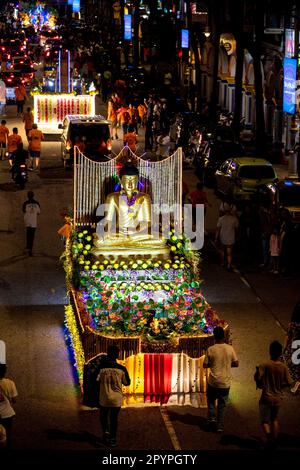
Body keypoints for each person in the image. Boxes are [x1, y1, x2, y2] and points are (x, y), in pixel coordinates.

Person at [93, 162, 169, 257]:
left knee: (161, 239)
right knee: (99, 241)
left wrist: (135, 231)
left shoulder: (144, 197)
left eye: (133, 180)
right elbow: (108, 220)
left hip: (138, 233)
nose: (130, 184)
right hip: (119, 233)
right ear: (121, 181)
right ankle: (129, 244)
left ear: (137, 181)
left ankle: (125, 244)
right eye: (127, 180)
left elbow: (147, 221)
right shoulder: (112, 197)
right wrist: (109, 231)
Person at [254, 340, 293, 449]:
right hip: (277, 398)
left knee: (264, 421)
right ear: (280, 353)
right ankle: (274, 442)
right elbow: (289, 383)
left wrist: (257, 371)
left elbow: (258, 378)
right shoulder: (284, 367)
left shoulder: (264, 365)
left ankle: (270, 440)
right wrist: (280, 387)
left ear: (270, 351)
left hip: (266, 397)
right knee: (274, 420)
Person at [203, 326, 239, 433]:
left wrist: (213, 363)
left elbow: (205, 365)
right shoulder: (230, 349)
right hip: (225, 383)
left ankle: (212, 420)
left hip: (213, 382)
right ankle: (220, 426)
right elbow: (236, 363)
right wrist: (228, 364)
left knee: (211, 402)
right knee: (222, 405)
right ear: (224, 336)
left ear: (214, 337)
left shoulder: (210, 349)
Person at [96, 345, 130, 447]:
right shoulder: (122, 368)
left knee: (103, 415)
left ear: (107, 353)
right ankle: (113, 438)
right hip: (116, 398)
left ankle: (106, 431)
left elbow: (96, 381)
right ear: (117, 354)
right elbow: (127, 382)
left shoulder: (101, 368)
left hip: (104, 397)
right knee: (114, 418)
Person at [215, 205, 239, 271]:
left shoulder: (221, 219)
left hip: (223, 236)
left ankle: (222, 262)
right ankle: (229, 264)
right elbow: (237, 229)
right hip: (231, 236)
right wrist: (237, 236)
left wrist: (216, 238)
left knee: (222, 250)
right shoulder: (234, 219)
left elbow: (218, 229)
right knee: (229, 252)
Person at [283, 302, 300, 392]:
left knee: (291, 362)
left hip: (295, 346)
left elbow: (288, 337)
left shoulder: (293, 325)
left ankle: (294, 382)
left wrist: (284, 348)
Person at [0, 363, 18, 449]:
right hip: (7, 414)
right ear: (5, 372)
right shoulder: (10, 383)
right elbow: (14, 400)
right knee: (7, 434)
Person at [22, 191, 40, 256]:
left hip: (27, 221)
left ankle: (28, 247)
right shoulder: (37, 203)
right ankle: (30, 250)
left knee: (28, 234)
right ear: (33, 196)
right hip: (33, 222)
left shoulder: (25, 203)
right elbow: (38, 212)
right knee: (32, 236)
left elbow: (23, 211)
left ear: (27, 196)